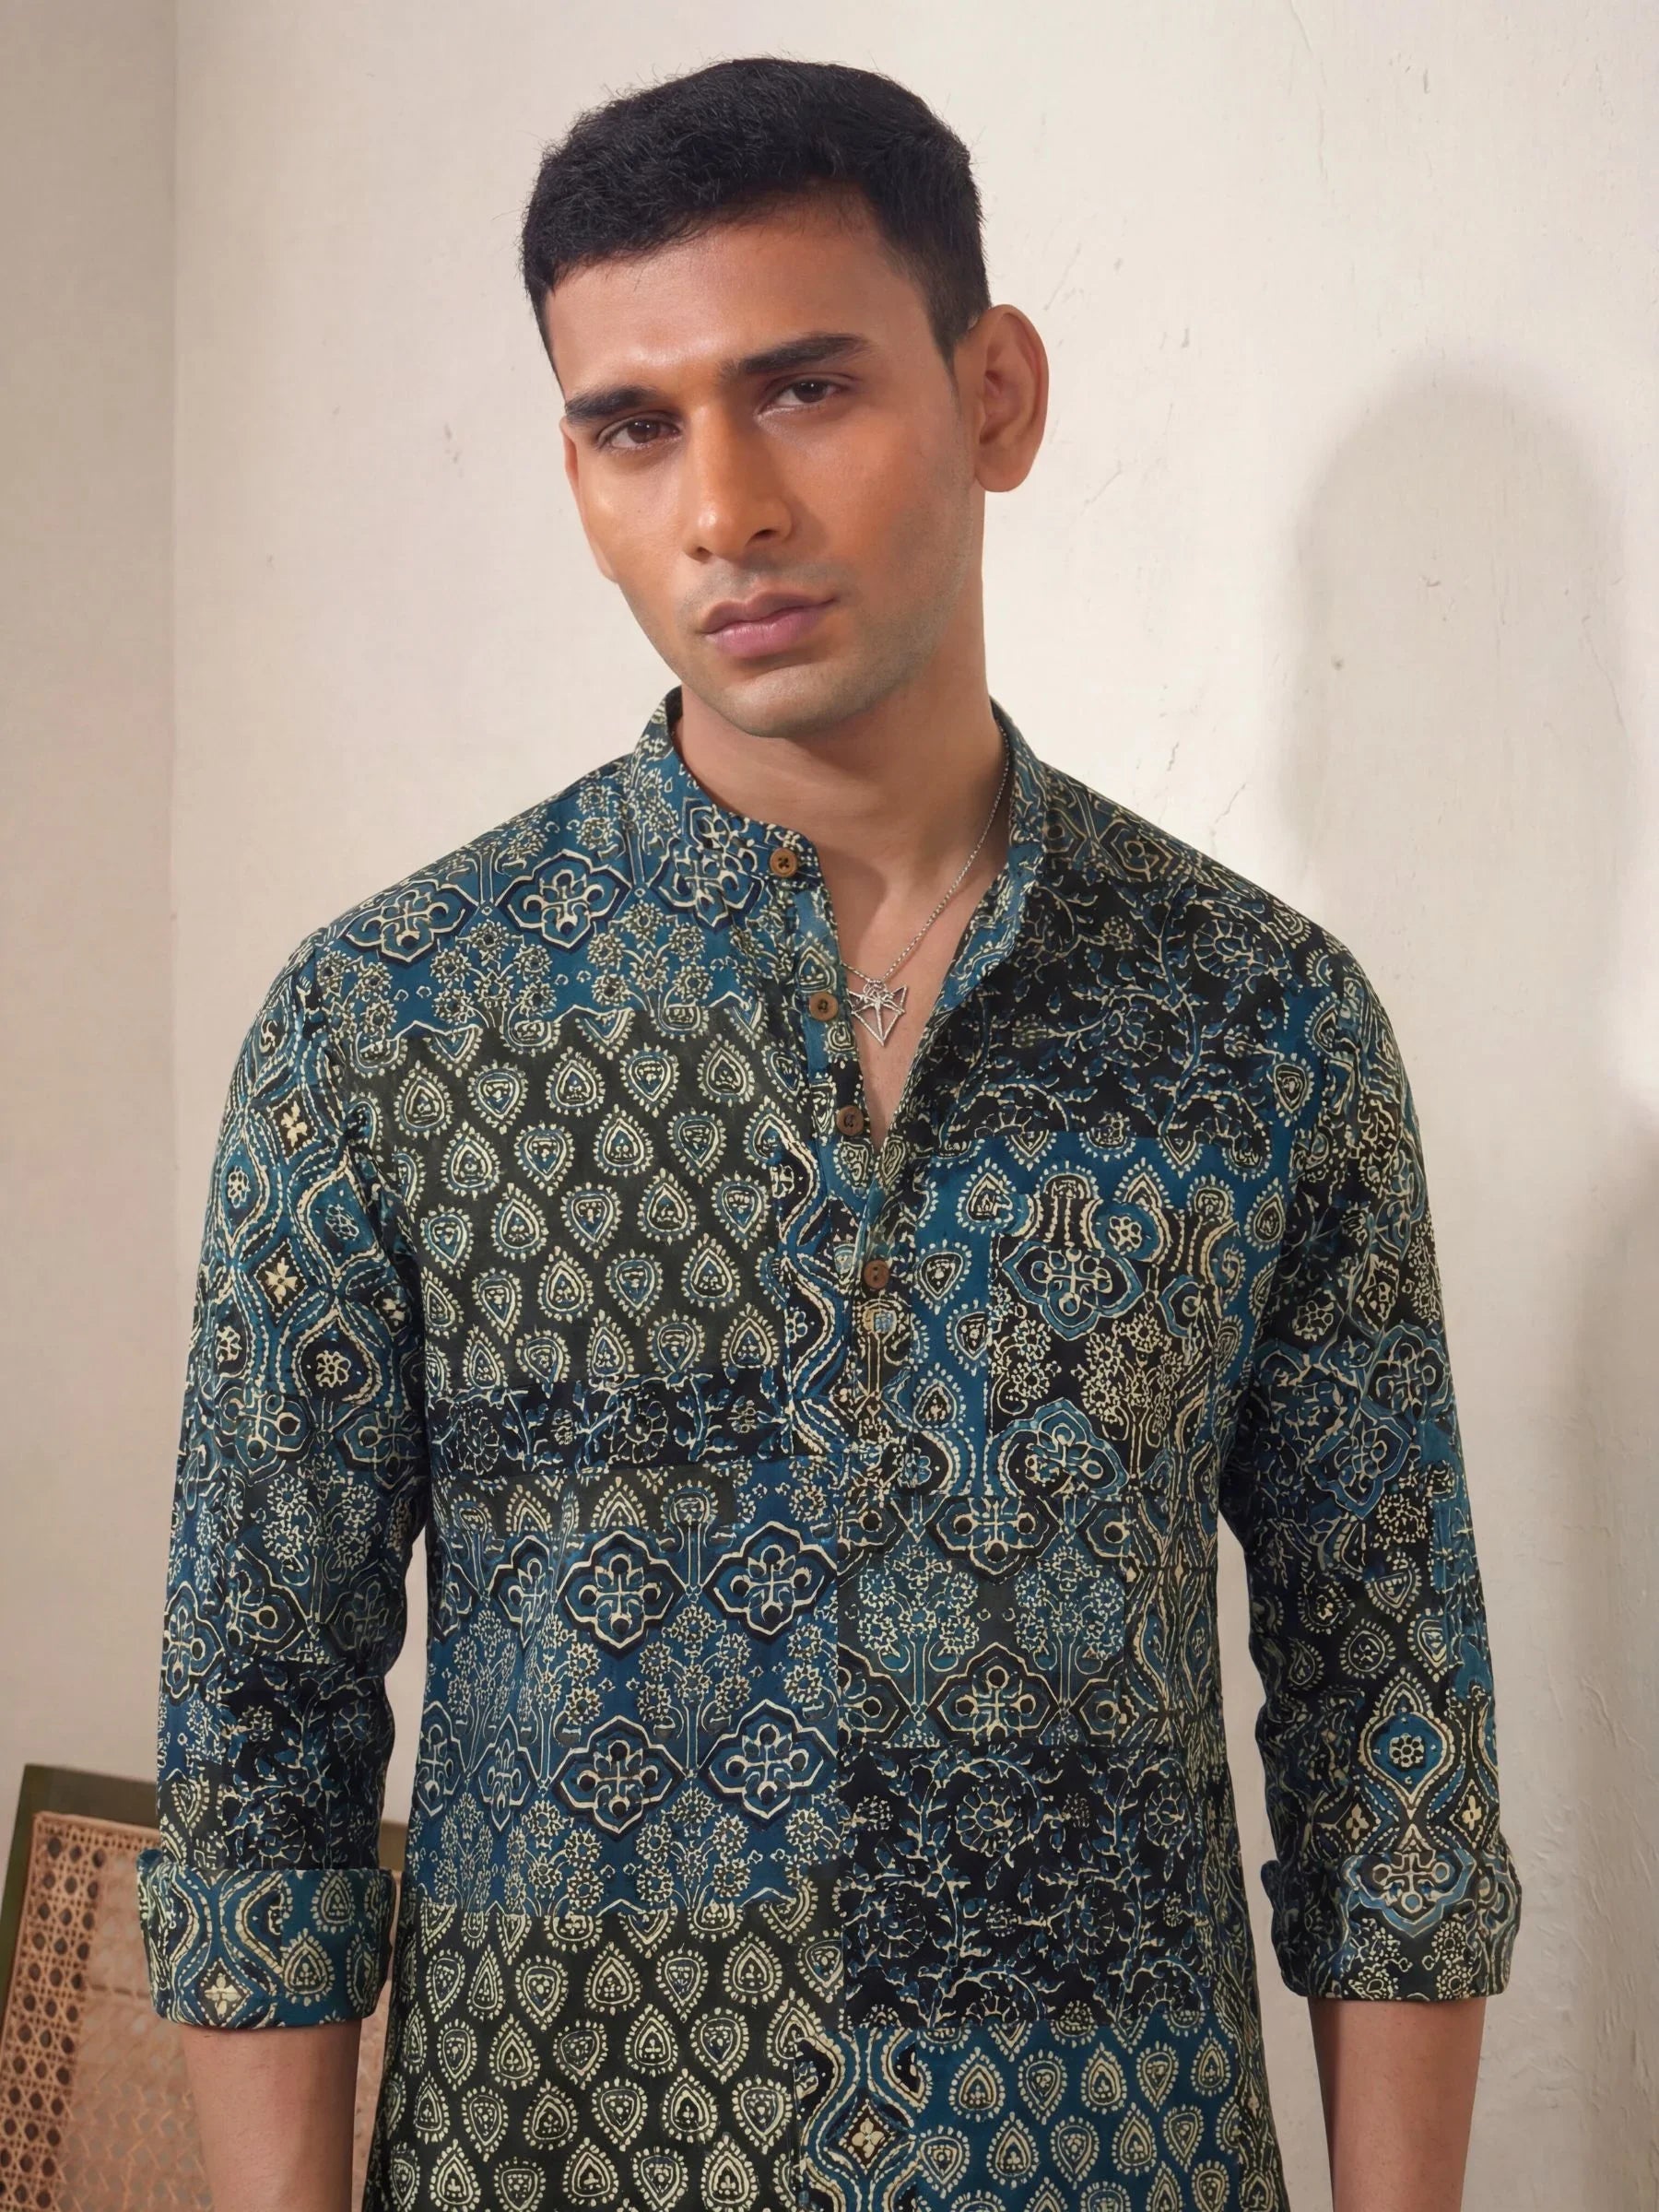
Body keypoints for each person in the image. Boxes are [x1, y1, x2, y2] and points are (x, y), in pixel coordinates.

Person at [137, 53, 1523, 2212]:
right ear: (575, 466)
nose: (726, 508)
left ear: (996, 396)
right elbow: (261, 1750)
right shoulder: (384, 1028)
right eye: (633, 425)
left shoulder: (1263, 1026)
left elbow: (1391, 1735)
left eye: (802, 389)